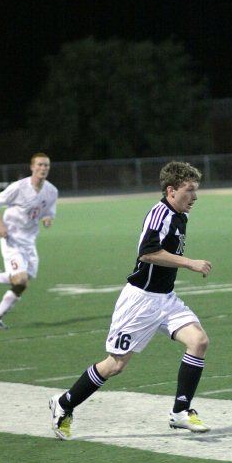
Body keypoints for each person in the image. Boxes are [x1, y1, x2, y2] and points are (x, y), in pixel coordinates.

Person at [49, 161, 213, 439]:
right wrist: (190, 263)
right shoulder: (160, 214)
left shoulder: (180, 215)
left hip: (166, 299)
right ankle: (64, 404)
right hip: (140, 302)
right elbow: (147, 253)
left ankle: (180, 412)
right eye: (190, 190)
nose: (195, 197)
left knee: (199, 342)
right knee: (115, 365)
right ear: (171, 190)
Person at [0, 152, 58, 329]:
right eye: (39, 165)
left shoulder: (52, 191)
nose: (43, 168)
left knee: (23, 283)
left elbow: (49, 213)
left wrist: (47, 219)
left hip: (30, 241)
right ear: (32, 167)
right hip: (12, 238)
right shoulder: (18, 187)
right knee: (21, 279)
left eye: (46, 165)